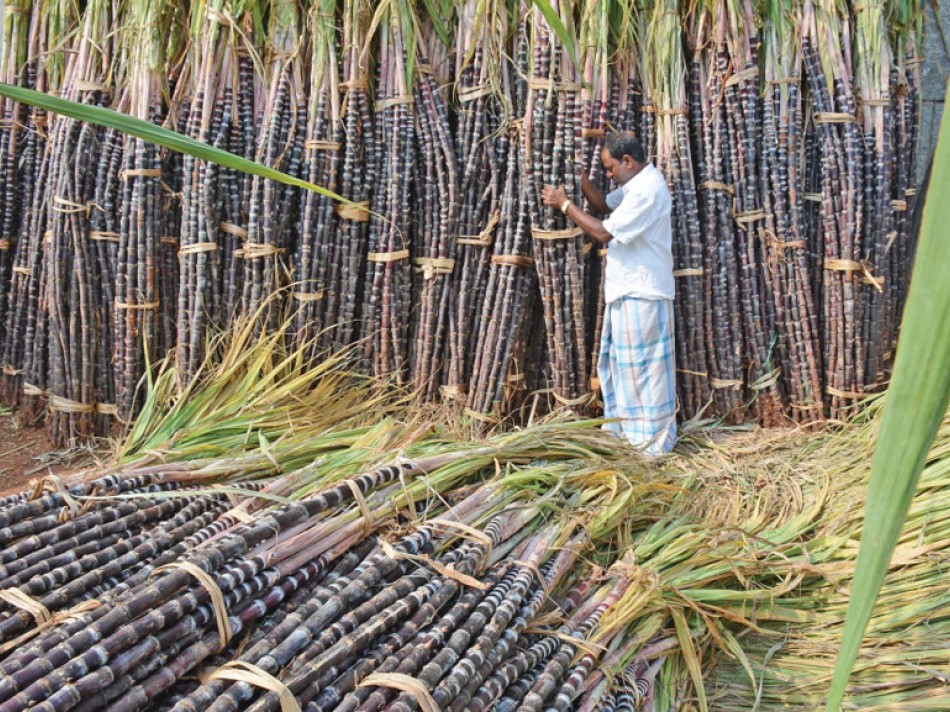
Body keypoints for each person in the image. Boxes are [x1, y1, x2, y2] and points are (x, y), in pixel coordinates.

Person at [541, 131, 677, 455]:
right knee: (625, 370)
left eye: (610, 167)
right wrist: (581, 175)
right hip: (630, 292)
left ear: (628, 161)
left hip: (643, 294)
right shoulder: (635, 186)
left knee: (645, 374)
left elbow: (602, 231)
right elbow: (602, 204)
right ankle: (632, 439)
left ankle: (651, 445)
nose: (609, 174)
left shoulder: (648, 190)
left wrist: (564, 205)